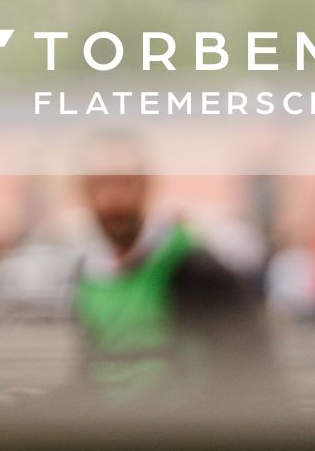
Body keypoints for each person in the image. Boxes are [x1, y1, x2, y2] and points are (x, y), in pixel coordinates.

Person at [57, 139, 287, 415]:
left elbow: (252, 364)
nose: (112, 200)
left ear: (145, 188)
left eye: (123, 184)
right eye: (100, 186)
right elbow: (93, 367)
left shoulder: (193, 268)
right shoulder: (88, 274)